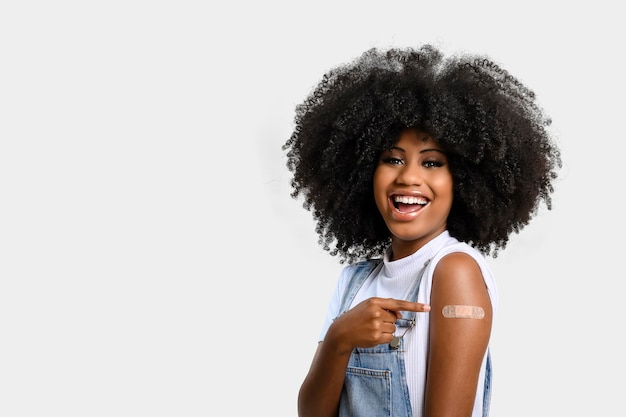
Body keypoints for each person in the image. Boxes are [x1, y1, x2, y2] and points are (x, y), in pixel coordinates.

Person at [282, 45, 561, 417]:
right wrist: (339, 337)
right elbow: (311, 413)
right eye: (392, 159)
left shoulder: (453, 272)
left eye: (432, 162)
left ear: (462, 180)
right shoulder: (353, 282)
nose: (408, 177)